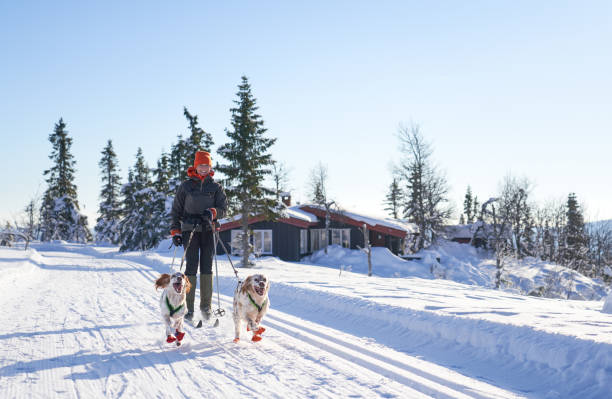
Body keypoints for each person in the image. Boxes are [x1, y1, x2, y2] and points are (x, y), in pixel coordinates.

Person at [170, 150, 227, 322]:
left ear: (210, 167)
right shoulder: (186, 186)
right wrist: (176, 231)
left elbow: (224, 209)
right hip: (190, 229)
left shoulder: (216, 187)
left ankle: (206, 308)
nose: (203, 168)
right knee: (191, 267)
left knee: (207, 267)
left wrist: (213, 212)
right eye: (201, 165)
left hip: (209, 230)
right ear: (196, 166)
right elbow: (176, 211)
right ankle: (188, 308)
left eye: (206, 166)